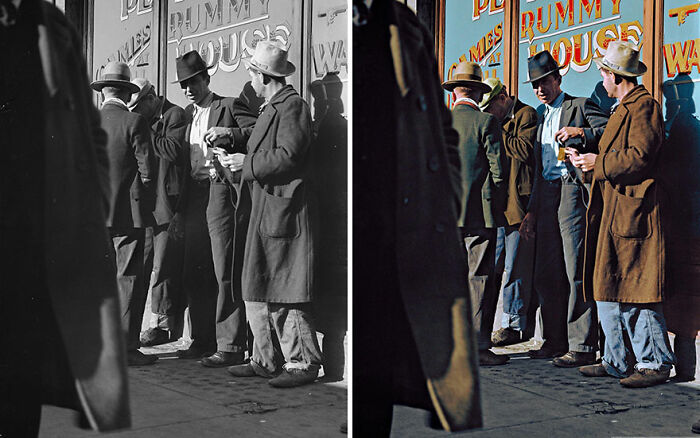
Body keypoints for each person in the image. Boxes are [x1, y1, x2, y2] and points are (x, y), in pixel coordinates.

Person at [0, 0, 129, 434]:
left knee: (23, 371)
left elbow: (87, 130)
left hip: (36, 232)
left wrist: (91, 207)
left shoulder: (51, 26)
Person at [353, 0, 481, 435]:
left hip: (400, 230)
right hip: (353, 226)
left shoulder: (405, 25)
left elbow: (439, 128)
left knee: (382, 373)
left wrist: (445, 200)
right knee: (366, 376)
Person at [224, 40, 324, 388]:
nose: (249, 81)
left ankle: (303, 363)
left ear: (262, 75)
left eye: (251, 73)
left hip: (283, 210)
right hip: (267, 209)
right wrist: (234, 140)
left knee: (284, 289)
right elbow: (263, 139)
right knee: (256, 286)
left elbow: (289, 155)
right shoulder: (275, 106)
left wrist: (244, 163)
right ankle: (265, 359)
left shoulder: (292, 106)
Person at [577, 40, 676, 387]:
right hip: (617, 210)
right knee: (607, 286)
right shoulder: (624, 107)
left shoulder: (643, 106)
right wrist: (591, 156)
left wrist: (597, 163)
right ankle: (617, 360)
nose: (601, 79)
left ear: (614, 76)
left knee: (637, 289)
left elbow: (639, 157)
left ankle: (654, 363)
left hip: (635, 212)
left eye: (603, 72)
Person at [519, 50, 608, 367]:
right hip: (546, 197)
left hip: (571, 193)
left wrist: (581, 132)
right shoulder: (542, 116)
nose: (540, 89)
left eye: (545, 81)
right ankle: (554, 341)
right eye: (535, 84)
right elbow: (540, 166)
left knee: (574, 270)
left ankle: (582, 345)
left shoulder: (580, 105)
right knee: (546, 273)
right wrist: (531, 211)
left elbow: (610, 133)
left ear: (558, 79)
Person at [173, 51, 252, 367]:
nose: (189, 89)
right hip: (194, 198)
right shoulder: (187, 115)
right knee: (195, 270)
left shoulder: (229, 106)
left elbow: (257, 133)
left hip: (220, 193)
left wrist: (229, 134)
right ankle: (202, 340)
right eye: (184, 84)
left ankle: (230, 345)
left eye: (193, 81)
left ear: (206, 78)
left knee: (224, 270)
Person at [91, 61, 157, 367]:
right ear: (127, 91)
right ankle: (126, 349)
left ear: (103, 91)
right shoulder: (135, 122)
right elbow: (148, 171)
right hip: (127, 215)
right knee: (127, 279)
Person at [443, 61, 509, 366]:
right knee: (479, 278)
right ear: (478, 91)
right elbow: (498, 172)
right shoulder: (486, 123)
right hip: (479, 214)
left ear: (454, 92)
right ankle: (478, 347)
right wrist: (498, 202)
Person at [128, 78, 188, 347]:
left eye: (139, 108)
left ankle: (161, 326)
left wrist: (144, 131)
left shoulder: (174, 114)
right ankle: (139, 326)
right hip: (147, 206)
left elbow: (172, 150)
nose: (137, 115)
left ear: (152, 98)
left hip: (167, 205)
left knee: (162, 266)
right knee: (144, 266)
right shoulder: (146, 120)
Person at [479, 77, 538, 346]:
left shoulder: (526, 114)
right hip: (498, 207)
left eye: (491, 107)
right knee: (494, 268)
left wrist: (497, 129)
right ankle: (490, 325)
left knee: (515, 268)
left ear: (503, 98)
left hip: (518, 206)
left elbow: (523, 150)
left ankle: (513, 325)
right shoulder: (497, 121)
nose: (490, 114)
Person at [661, 74, 700, 384]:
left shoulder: (681, 130)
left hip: (684, 227)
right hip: (691, 224)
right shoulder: (695, 128)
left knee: (683, 300)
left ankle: (685, 367)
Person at [311, 72, 348, 381]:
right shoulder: (340, 126)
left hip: (328, 223)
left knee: (329, 299)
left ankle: (333, 367)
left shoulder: (328, 128)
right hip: (336, 223)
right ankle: (333, 365)